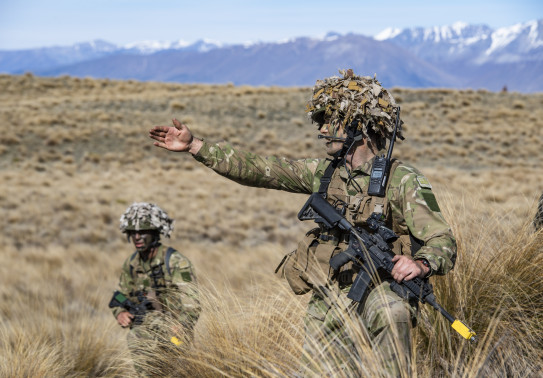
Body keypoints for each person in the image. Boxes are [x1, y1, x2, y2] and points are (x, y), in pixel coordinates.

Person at [148, 69, 456, 376]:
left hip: (384, 289)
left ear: (357, 127)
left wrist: (422, 264)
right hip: (334, 289)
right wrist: (196, 147)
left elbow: (442, 239)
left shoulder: (401, 180)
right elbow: (262, 169)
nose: (321, 130)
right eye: (320, 122)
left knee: (392, 316)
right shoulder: (324, 172)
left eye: (329, 121)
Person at [110, 202, 201, 374]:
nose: (137, 237)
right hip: (142, 335)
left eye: (143, 232)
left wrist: (181, 325)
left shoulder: (175, 262)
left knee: (177, 372)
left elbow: (192, 303)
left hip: (174, 334)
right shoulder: (131, 264)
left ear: (155, 233)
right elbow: (119, 295)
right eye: (133, 232)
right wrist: (120, 312)